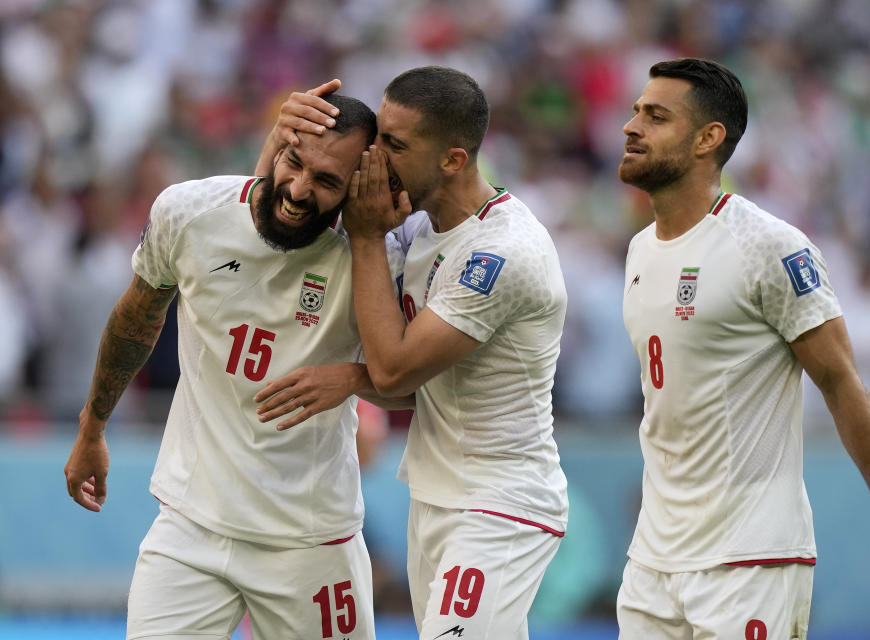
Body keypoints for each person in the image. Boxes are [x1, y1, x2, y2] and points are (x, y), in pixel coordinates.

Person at [63, 86, 409, 639]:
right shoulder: (189, 213)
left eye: (326, 183)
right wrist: (92, 427)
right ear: (278, 143)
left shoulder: (374, 257)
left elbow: (422, 385)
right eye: (294, 162)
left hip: (311, 542)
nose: (298, 189)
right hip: (190, 527)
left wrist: (354, 378)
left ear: (355, 192)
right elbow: (136, 318)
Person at [616, 57, 870, 639]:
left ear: (708, 139)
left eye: (655, 117)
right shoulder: (639, 251)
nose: (631, 127)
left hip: (751, 555)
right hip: (653, 561)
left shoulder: (770, 246)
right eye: (636, 111)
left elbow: (841, 382)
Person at [261, 66, 569, 640]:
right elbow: (407, 384)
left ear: (453, 160)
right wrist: (279, 140)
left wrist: (365, 237)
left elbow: (393, 366)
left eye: (395, 145)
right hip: (435, 495)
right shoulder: (419, 228)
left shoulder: (500, 253)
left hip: (501, 501)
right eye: (378, 136)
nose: (373, 157)